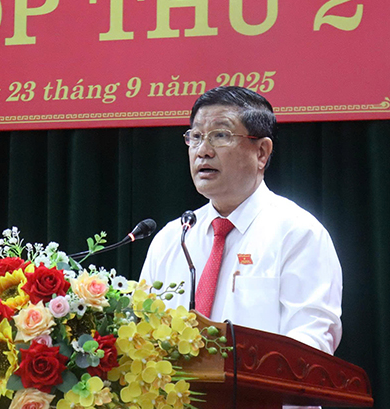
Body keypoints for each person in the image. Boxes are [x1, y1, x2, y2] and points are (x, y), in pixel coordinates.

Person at [140, 86, 343, 355]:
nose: (203, 150)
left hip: (261, 383)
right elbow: (141, 333)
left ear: (261, 153)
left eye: (220, 136)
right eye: (196, 136)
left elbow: (311, 340)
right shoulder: (173, 238)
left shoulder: (297, 233)